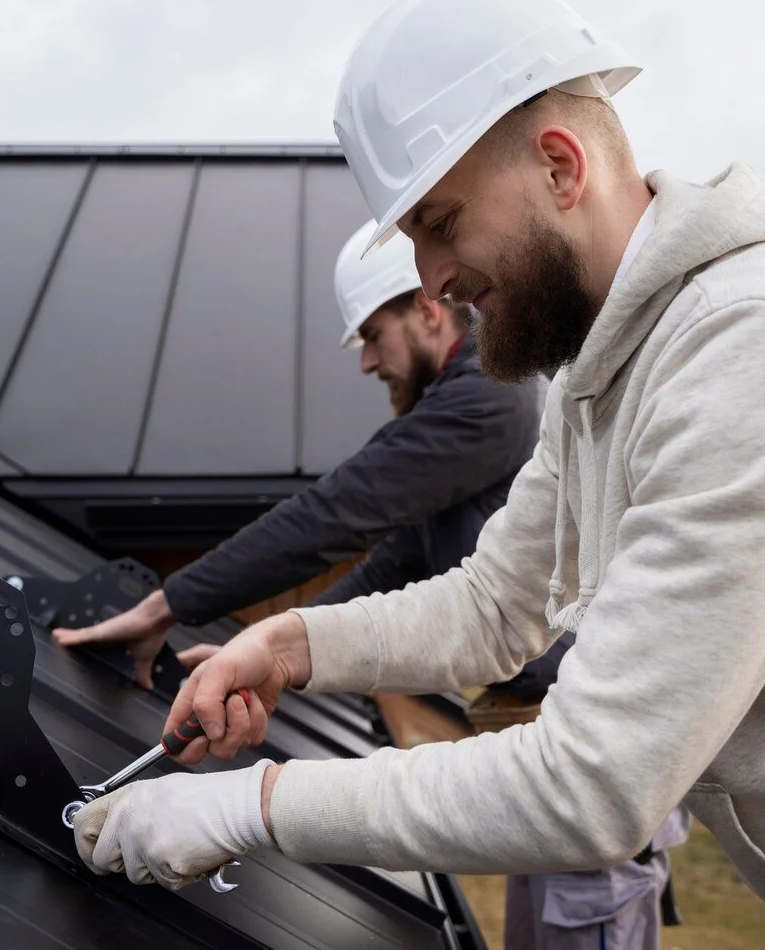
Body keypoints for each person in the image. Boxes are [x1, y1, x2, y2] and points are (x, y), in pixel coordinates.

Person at [71, 0, 765, 948]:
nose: (432, 277)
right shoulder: (605, 374)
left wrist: (255, 804)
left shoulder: (758, 348)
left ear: (561, 166)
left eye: (439, 223)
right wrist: (288, 645)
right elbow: (493, 606)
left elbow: (594, 782)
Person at [60, 216, 687, 948]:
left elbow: (337, 513)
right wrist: (275, 653)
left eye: (372, 336)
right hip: (527, 739)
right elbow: (395, 559)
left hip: (582, 760)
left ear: (425, 311)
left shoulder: (489, 397)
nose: (367, 363)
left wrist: (168, 605)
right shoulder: (474, 404)